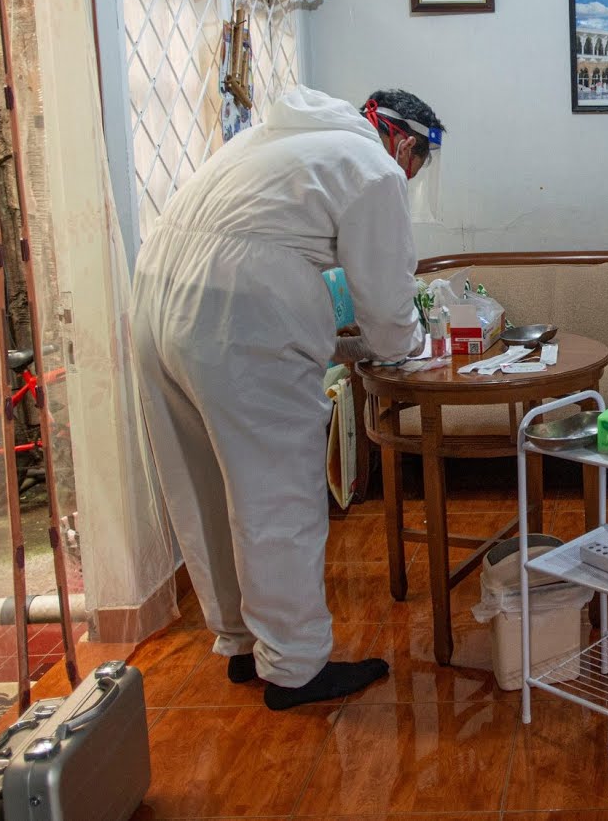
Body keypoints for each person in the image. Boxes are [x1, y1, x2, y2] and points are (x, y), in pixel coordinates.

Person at [131, 85, 444, 711]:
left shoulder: (277, 137)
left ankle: (242, 644)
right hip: (237, 313)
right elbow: (386, 302)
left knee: (203, 486)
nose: (409, 177)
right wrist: (404, 348)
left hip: (156, 292)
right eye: (417, 164)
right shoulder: (373, 166)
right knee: (278, 496)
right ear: (404, 141)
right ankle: (296, 668)